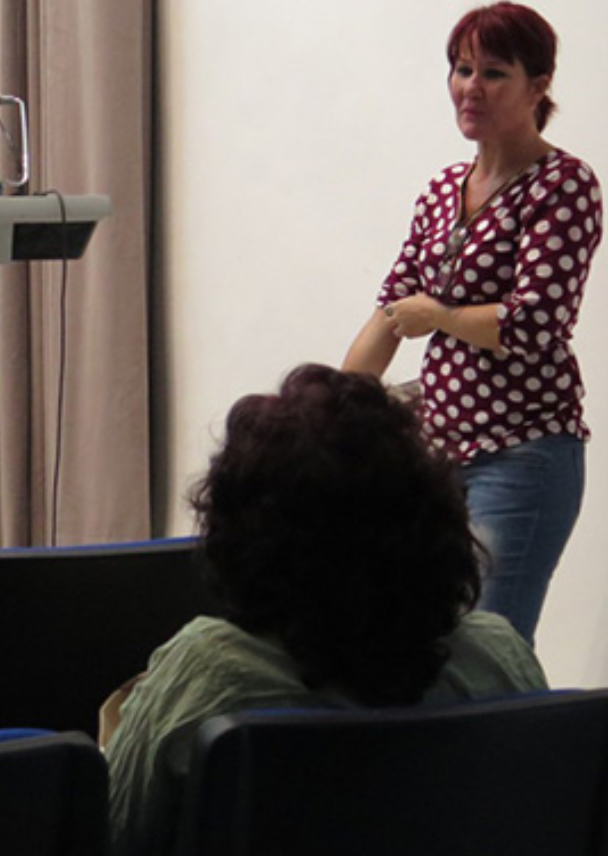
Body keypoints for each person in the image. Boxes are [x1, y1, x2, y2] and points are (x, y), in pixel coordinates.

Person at [101, 365, 546, 856]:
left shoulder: (209, 675)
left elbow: (108, 835)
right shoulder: (502, 661)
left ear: (245, 539)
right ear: (439, 517)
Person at [342, 1, 602, 643]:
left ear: (538, 86)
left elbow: (532, 323)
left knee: (490, 646)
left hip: (522, 453)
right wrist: (334, 408)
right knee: (429, 643)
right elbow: (392, 309)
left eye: (493, 73)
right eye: (461, 70)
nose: (470, 88)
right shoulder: (442, 190)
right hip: (440, 456)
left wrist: (440, 315)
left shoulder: (562, 185)